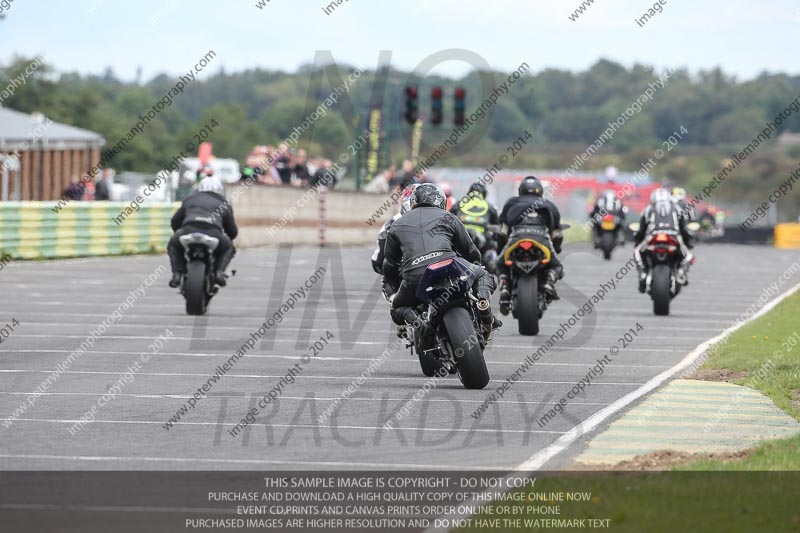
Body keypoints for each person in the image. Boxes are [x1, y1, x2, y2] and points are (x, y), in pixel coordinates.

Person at [382, 184, 500, 337]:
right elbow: (470, 250)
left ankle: (418, 323)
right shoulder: (449, 216)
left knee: (397, 309)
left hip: (415, 274)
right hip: (449, 265)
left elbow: (390, 264)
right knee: (484, 275)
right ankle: (482, 302)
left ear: (412, 202)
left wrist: (395, 283)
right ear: (441, 201)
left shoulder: (396, 224)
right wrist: (475, 266)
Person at [496, 176, 564, 312]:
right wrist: (556, 250)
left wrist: (500, 249)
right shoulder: (548, 204)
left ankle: (504, 286)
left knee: (499, 263)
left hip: (516, 238)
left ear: (521, 190)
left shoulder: (511, 202)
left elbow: (502, 230)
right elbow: (557, 233)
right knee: (557, 265)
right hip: (541, 240)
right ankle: (549, 282)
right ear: (540, 190)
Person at [167, 177, 238, 289]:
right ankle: (219, 272)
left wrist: (180, 233)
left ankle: (177, 273)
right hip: (213, 232)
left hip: (189, 228)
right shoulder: (224, 203)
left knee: (173, 244)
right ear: (220, 190)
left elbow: (175, 222)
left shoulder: (190, 199)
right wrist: (227, 238)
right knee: (229, 247)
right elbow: (232, 232)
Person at [633, 188, 694, 293]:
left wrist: (637, 239)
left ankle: (642, 273)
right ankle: (681, 272)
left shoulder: (648, 209)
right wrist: (688, 241)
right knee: (688, 255)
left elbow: (641, 230)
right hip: (673, 236)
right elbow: (683, 229)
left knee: (637, 251)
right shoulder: (678, 209)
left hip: (653, 236)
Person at [450, 182, 500, 252]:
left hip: (460, 236)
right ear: (484, 194)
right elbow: (497, 224)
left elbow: (448, 218)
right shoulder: (489, 206)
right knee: (493, 247)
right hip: (481, 239)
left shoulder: (458, 204)